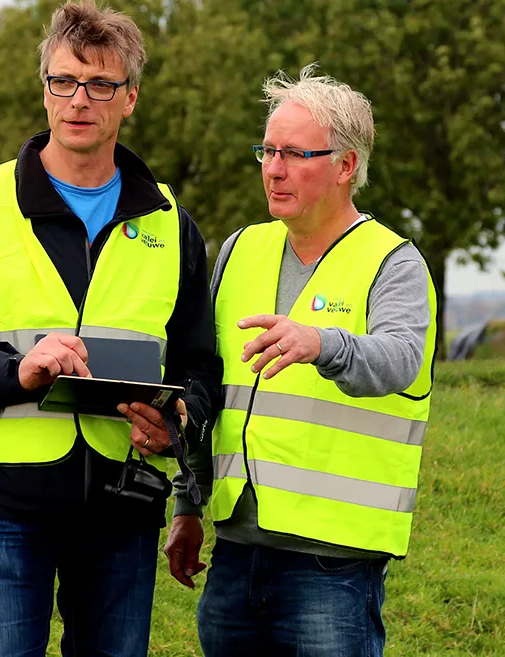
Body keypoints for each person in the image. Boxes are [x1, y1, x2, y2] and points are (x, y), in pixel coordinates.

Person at [0, 2, 222, 655]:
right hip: (3, 504)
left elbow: (201, 368)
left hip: (125, 505)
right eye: (63, 81)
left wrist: (175, 416)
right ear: (44, 90)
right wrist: (17, 373)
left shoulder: (170, 222)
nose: (79, 100)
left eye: (100, 85)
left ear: (130, 99)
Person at [165, 64, 437, 656]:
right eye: (267, 150)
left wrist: (322, 343)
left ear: (346, 166)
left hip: (331, 566)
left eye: (294, 153)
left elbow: (402, 359)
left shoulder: (394, 262)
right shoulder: (239, 250)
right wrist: (186, 505)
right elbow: (210, 387)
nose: (274, 167)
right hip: (234, 552)